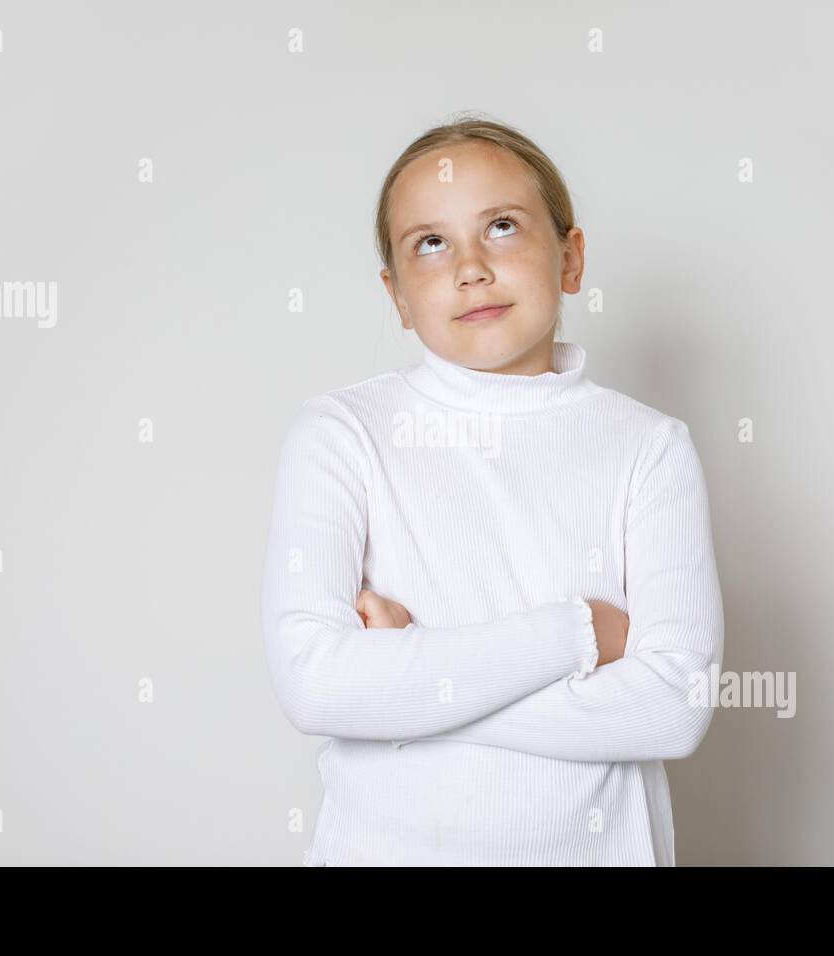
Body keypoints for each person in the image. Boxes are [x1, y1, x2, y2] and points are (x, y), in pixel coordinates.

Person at [260, 113, 724, 866]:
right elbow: (317, 688)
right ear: (397, 295)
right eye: (431, 243)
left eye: (502, 226)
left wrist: (411, 685)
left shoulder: (649, 448)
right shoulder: (342, 433)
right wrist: (579, 631)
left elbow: (671, 710)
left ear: (571, 258)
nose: (469, 267)